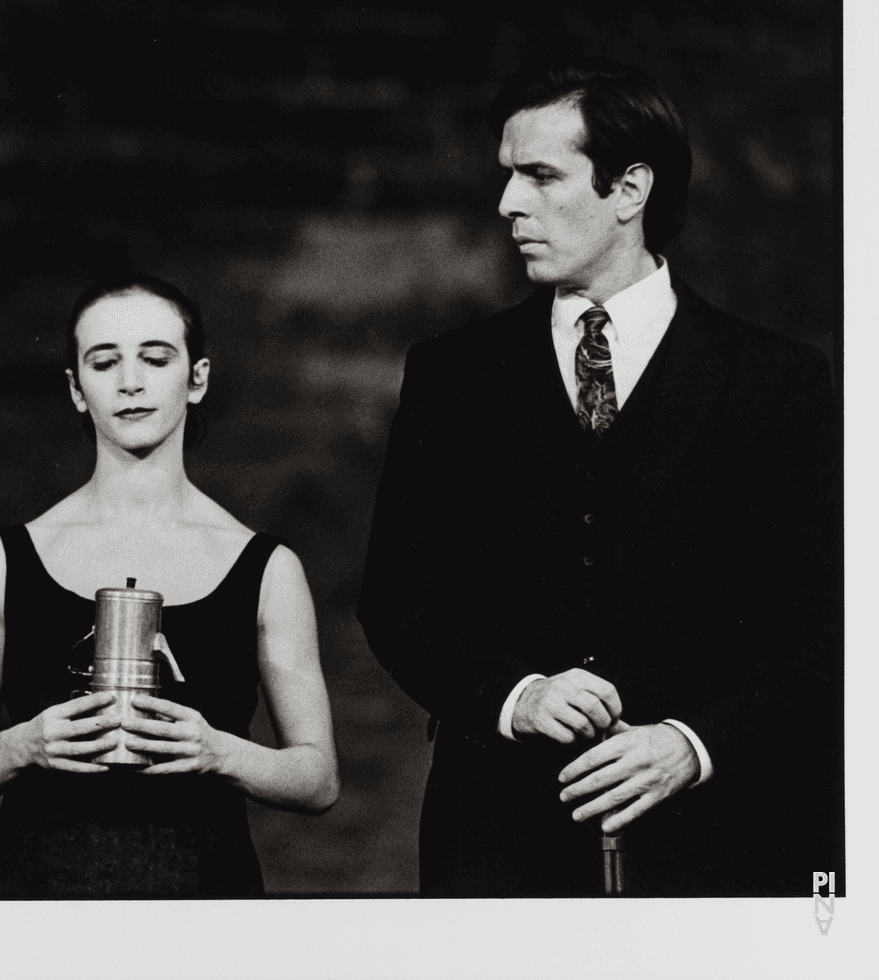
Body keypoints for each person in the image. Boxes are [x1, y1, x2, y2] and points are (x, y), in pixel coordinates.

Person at [357, 59, 840, 897]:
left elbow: (828, 615)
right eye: (507, 175)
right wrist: (517, 693)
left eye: (541, 175)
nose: (509, 203)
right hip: (499, 844)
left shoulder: (776, 380)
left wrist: (693, 742)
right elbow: (396, 599)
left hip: (716, 846)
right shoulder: (452, 374)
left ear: (630, 189)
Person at [0, 273, 339, 897]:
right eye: (104, 362)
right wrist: (22, 746)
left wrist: (219, 752)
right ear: (76, 388)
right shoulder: (2, 560)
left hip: (206, 907)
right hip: (39, 907)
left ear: (196, 378)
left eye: (155, 358)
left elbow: (317, 777)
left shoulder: (265, 568)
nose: (130, 381)